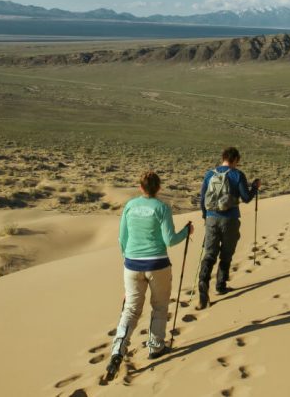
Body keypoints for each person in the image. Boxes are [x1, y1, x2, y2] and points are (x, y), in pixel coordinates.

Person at [108, 171, 192, 371]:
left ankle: (117, 351)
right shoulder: (162, 208)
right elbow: (170, 240)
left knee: (130, 310)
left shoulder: (129, 206)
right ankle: (155, 347)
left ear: (140, 187)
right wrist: (186, 231)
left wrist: (128, 261)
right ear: (159, 188)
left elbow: (122, 239)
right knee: (159, 307)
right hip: (158, 265)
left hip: (132, 265)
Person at [197, 146, 260, 309]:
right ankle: (220, 285)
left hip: (211, 218)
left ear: (223, 157)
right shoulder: (237, 174)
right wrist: (254, 188)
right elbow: (246, 198)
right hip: (230, 219)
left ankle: (203, 282)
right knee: (226, 253)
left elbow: (202, 197)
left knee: (210, 253)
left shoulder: (210, 174)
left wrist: (206, 216)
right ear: (235, 160)